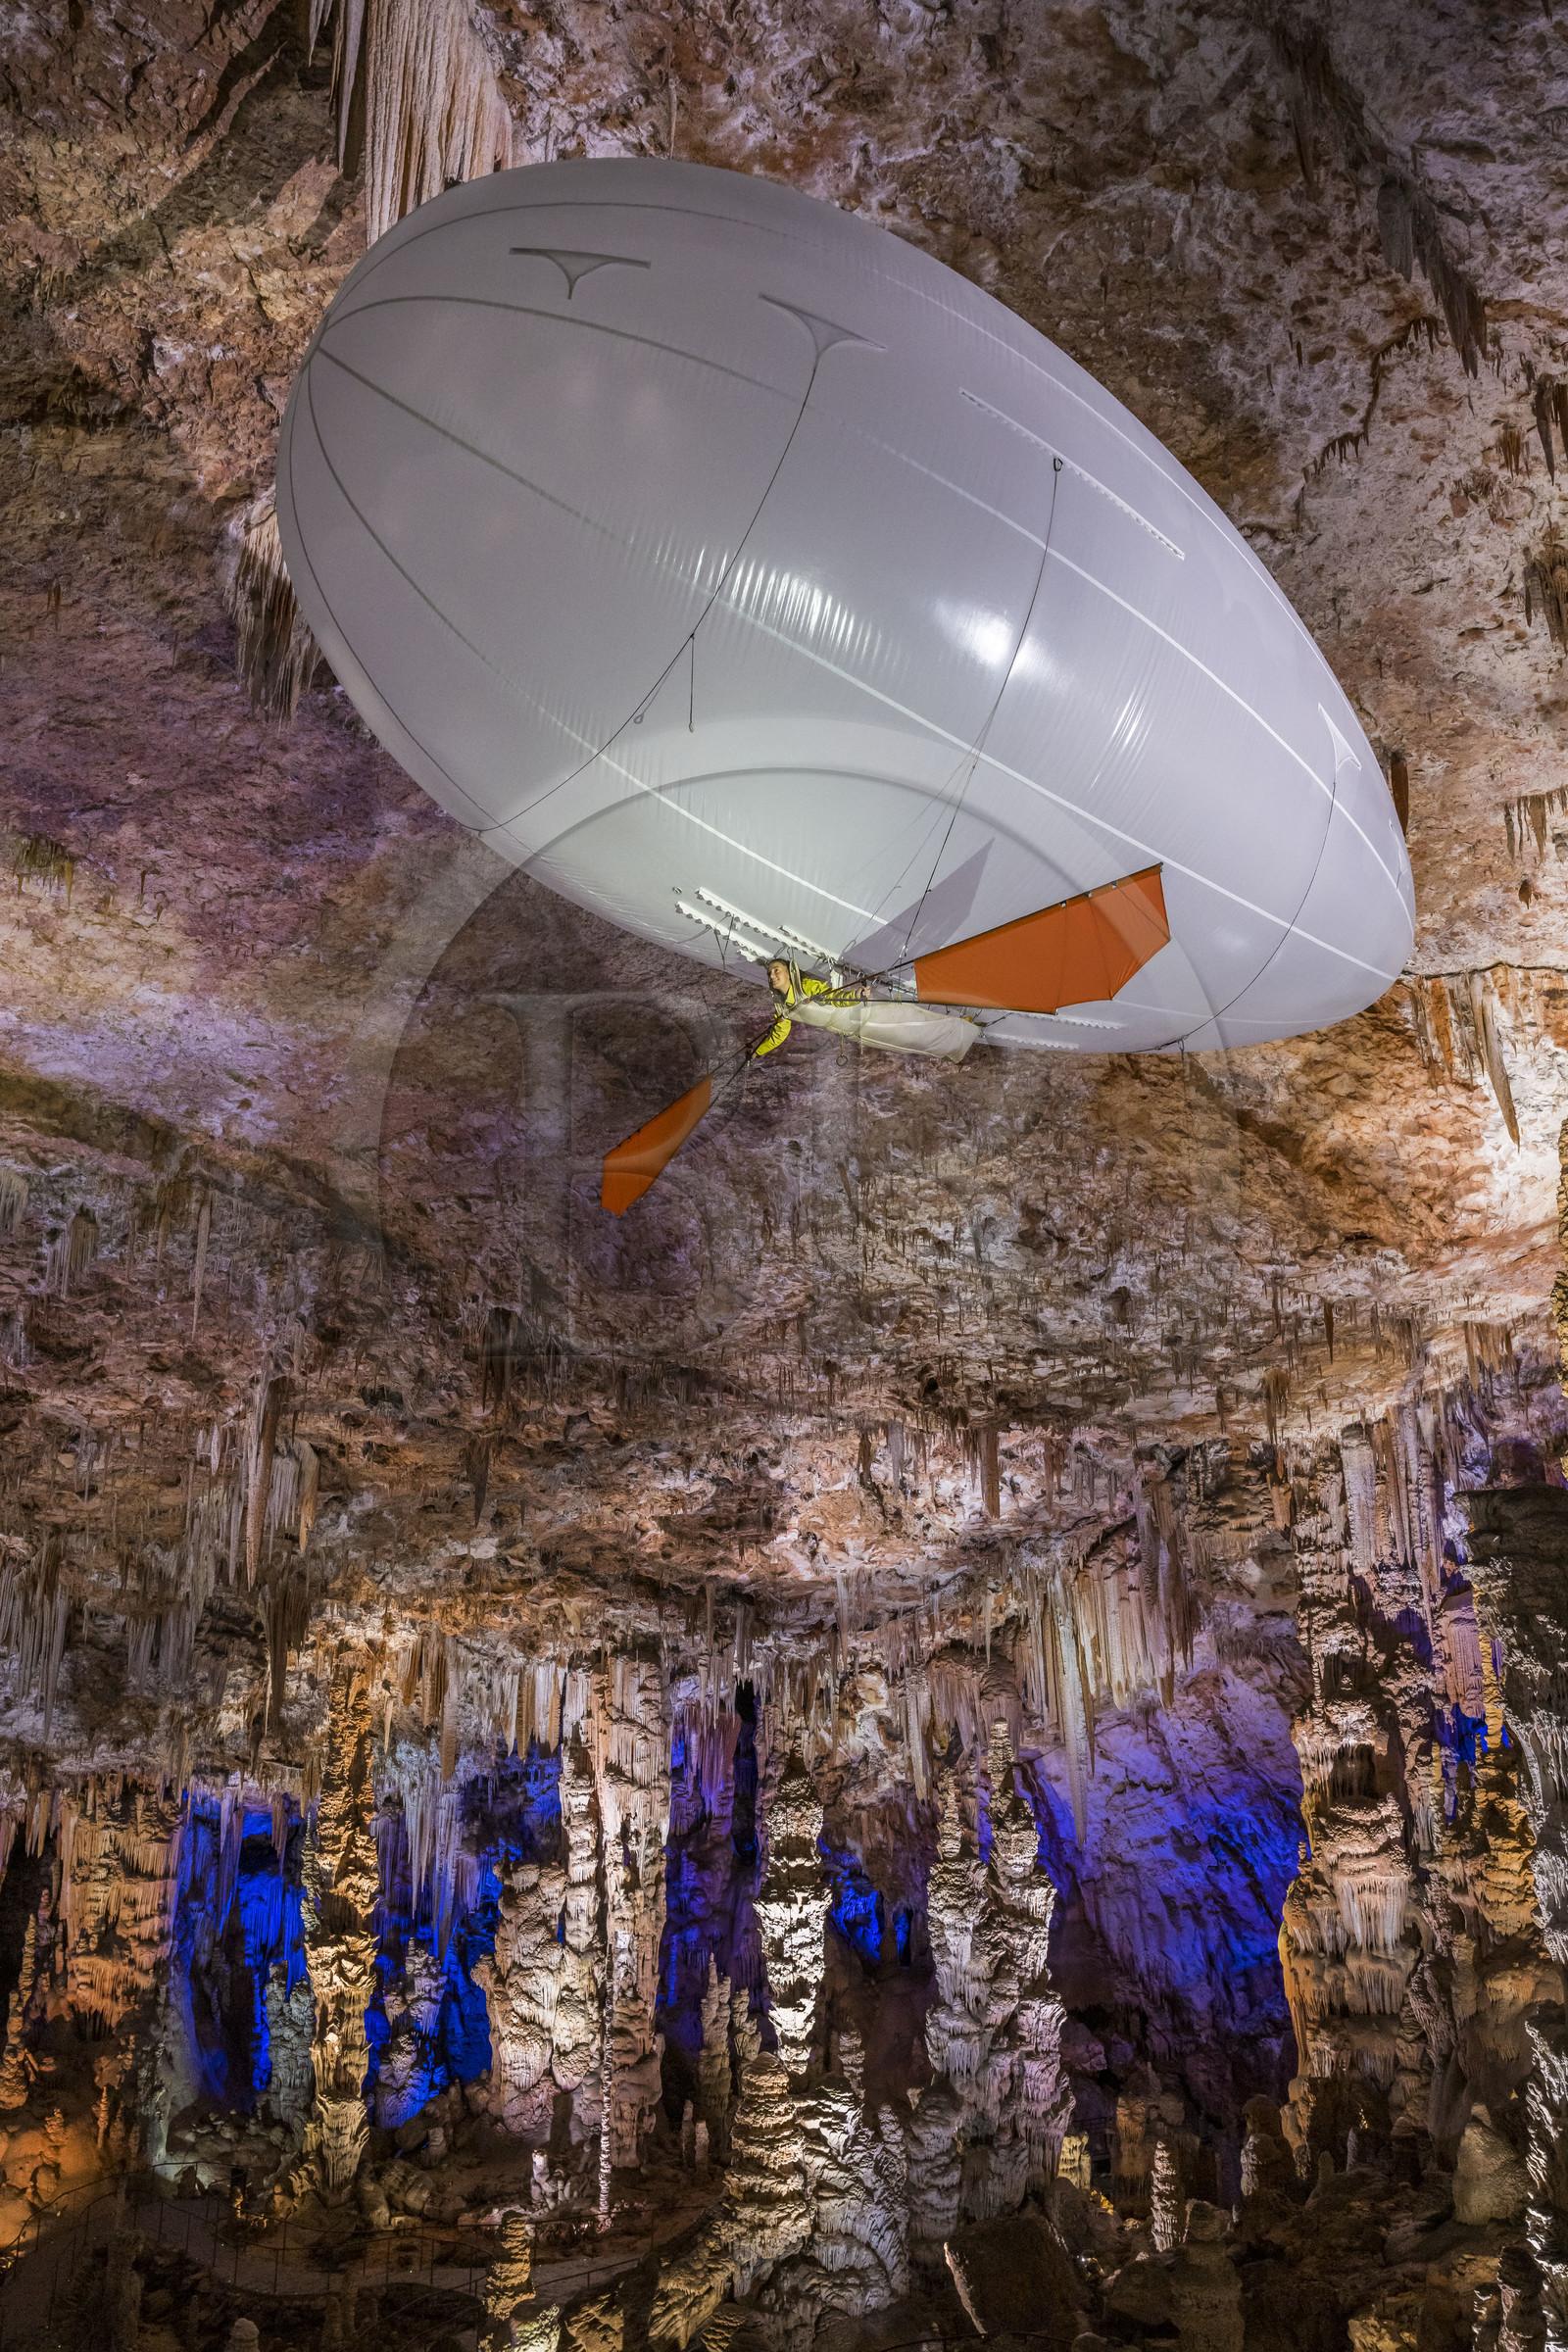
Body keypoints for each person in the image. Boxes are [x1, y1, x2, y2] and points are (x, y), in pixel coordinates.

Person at [756, 958, 978, 1064]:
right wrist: (756, 1052)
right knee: (909, 1045)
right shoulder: (782, 1007)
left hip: (868, 1015)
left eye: (777, 970)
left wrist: (857, 996)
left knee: (914, 1029)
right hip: (854, 1031)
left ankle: (963, 1029)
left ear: (789, 972)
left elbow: (834, 998)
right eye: (769, 973)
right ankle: (956, 1038)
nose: (772, 976)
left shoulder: (806, 988)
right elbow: (778, 1034)